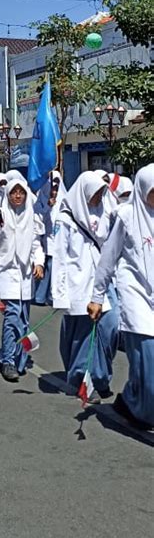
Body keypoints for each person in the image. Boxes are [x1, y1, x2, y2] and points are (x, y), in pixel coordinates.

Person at [88, 164, 154, 430]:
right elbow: (108, 258)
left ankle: (130, 400)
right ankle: (137, 406)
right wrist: (97, 295)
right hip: (136, 298)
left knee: (144, 367)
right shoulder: (127, 216)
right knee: (149, 368)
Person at [52, 171, 119, 403]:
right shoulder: (64, 220)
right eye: (96, 193)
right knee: (83, 335)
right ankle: (83, 381)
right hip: (77, 283)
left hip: (101, 281)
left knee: (111, 326)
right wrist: (60, 295)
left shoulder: (103, 213)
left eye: (102, 192)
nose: (99, 197)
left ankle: (99, 376)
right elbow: (59, 259)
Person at [0, 174, 44, 382]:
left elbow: (36, 244)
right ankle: (8, 360)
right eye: (13, 192)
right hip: (6, 273)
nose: (17, 196)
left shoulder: (32, 217)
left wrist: (39, 263)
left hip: (25, 275)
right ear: (7, 194)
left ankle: (18, 358)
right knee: (12, 316)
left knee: (23, 318)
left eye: (21, 192)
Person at [33, 171, 66, 306]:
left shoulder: (65, 197)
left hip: (60, 237)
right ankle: (40, 296)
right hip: (46, 237)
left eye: (57, 183)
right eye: (53, 184)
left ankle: (53, 295)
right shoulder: (41, 197)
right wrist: (48, 204)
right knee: (47, 265)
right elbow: (37, 214)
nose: (55, 187)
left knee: (56, 267)